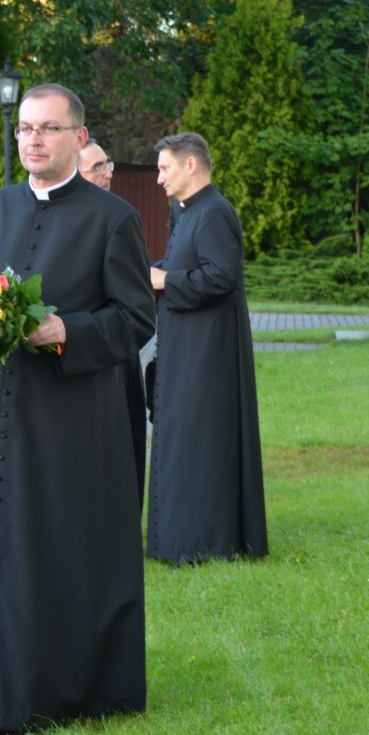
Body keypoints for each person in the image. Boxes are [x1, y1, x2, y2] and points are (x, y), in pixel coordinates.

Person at [0, 84, 156, 735]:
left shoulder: (112, 219)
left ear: (79, 137)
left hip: (66, 421)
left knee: (42, 551)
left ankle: (43, 694)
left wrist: (67, 331)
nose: (33, 140)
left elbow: (135, 319)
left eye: (48, 129)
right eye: (25, 128)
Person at [147, 132, 267, 562]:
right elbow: (185, 263)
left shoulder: (214, 212)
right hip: (188, 344)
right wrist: (152, 270)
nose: (159, 178)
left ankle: (201, 543)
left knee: (200, 437)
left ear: (191, 165)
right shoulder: (187, 211)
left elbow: (221, 276)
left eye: (165, 168)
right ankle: (179, 538)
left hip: (207, 350)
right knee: (183, 435)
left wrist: (165, 280)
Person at [76, 137, 148, 504]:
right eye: (97, 167)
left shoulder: (119, 217)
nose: (107, 173)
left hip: (116, 358)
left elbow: (136, 310)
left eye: (108, 165)